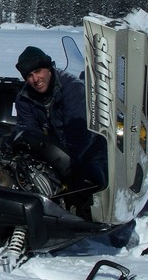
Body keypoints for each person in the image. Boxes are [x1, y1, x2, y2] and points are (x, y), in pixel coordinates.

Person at [12, 46, 108, 204]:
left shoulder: (73, 88)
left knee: (87, 195)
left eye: (38, 71)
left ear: (49, 68)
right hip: (54, 152)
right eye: (29, 75)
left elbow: (81, 134)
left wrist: (60, 165)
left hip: (88, 152)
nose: (35, 79)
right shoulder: (24, 98)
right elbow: (28, 131)